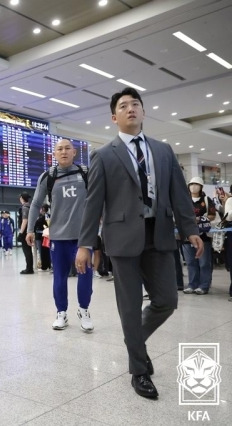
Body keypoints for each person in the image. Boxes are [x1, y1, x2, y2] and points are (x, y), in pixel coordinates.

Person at [75, 87, 202, 399]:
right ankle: (139, 370)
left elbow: (179, 195)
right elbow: (94, 203)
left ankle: (135, 343)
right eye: (123, 105)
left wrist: (190, 229)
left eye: (135, 104)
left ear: (143, 112)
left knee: (167, 301)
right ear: (114, 117)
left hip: (159, 235)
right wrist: (86, 243)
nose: (130, 108)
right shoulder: (104, 155)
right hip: (122, 240)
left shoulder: (163, 151)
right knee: (129, 308)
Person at [27, 139, 94, 332]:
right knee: (59, 277)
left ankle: (83, 310)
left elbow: (100, 199)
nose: (63, 152)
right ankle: (61, 312)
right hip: (58, 237)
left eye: (67, 149)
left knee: (85, 276)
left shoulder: (85, 173)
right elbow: (35, 204)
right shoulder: (48, 176)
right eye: (59, 149)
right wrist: (30, 229)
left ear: (74, 152)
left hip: (83, 237)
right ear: (54, 154)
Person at [182, 176, 216, 295]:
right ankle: (192, 284)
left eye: (196, 184)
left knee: (204, 262)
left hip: (203, 236)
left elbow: (212, 215)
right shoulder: (184, 199)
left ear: (201, 187)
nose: (193, 186)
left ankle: (204, 285)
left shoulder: (206, 200)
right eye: (191, 184)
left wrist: (200, 218)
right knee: (191, 262)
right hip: (187, 237)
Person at [18, 193, 33, 274]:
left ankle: (29, 269)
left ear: (21, 198)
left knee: (26, 250)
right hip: (30, 230)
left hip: (25, 232)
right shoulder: (30, 206)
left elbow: (24, 220)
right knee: (29, 250)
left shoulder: (24, 207)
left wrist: (21, 233)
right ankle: (30, 267)